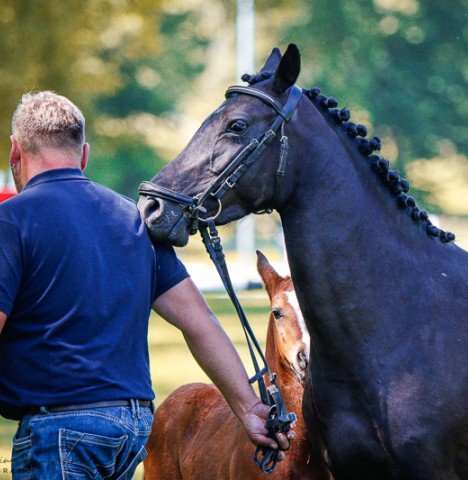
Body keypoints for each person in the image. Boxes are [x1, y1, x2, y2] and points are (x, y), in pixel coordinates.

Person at [0, 91, 292, 479]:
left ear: (14, 151)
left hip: (59, 429)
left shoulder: (11, 220)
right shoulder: (132, 219)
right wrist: (249, 410)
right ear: (84, 155)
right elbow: (198, 320)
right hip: (131, 427)